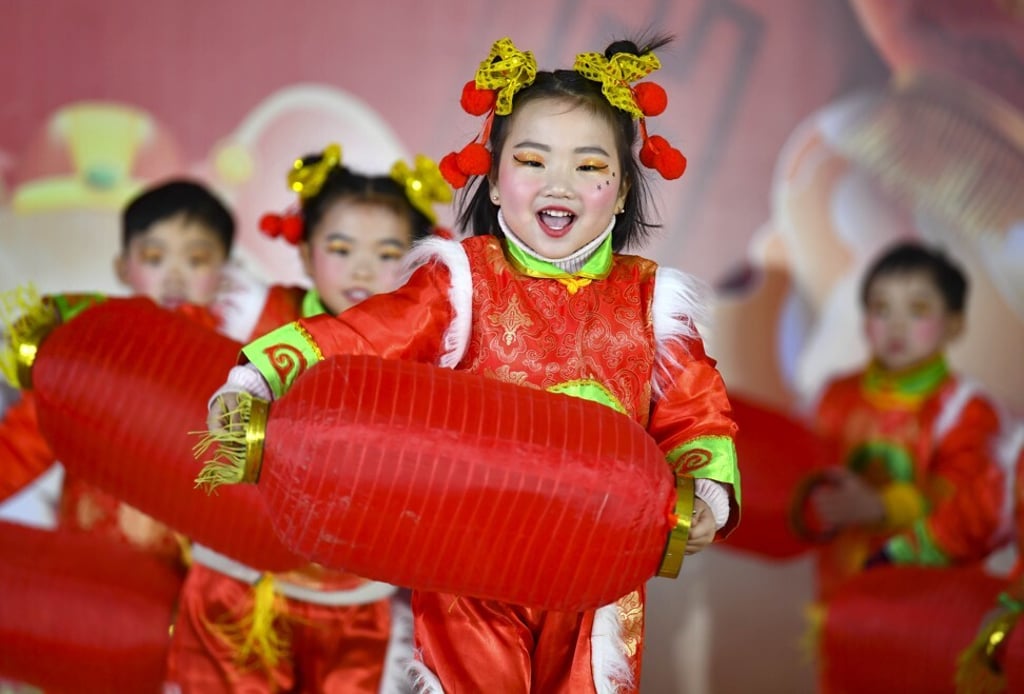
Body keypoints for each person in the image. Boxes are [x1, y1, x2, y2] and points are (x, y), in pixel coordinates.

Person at [206, 36, 740, 693]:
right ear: (493, 176)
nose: (557, 184)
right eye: (533, 159)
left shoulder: (651, 302)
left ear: (624, 188)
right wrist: (259, 375)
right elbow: (364, 336)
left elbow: (695, 409)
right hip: (471, 565)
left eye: (588, 165)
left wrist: (706, 492)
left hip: (599, 576)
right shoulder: (462, 282)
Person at [165, 144, 447, 694]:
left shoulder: (428, 358)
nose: (363, 267)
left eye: (388, 252)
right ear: (305, 252)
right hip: (238, 580)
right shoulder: (257, 316)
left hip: (356, 598)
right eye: (340, 248)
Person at [0, 178, 234, 563]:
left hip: (192, 580)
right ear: (123, 267)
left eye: (196, 260)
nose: (175, 276)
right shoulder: (90, 349)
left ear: (223, 272)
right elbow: (28, 440)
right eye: (155, 259)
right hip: (91, 564)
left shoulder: (242, 367)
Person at [795, 241, 1011, 602]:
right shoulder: (833, 396)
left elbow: (968, 508)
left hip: (929, 605)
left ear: (954, 324)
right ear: (865, 321)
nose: (896, 324)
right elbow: (801, 474)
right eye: (881, 308)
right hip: (838, 590)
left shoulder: (966, 408)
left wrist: (882, 507)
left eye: (918, 309)